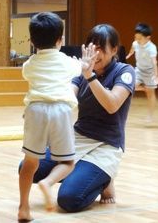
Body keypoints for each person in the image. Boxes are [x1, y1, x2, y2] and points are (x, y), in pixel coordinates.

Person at [24, 23, 135, 213]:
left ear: (114, 50)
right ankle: (88, 174)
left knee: (69, 200)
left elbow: (112, 105)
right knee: (27, 168)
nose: (95, 54)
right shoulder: (80, 71)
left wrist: (90, 77)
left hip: (106, 144)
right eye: (92, 48)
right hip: (77, 138)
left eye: (101, 49)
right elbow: (66, 98)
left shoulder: (124, 71)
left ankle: (104, 179)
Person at [18, 12, 96, 222]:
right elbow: (82, 69)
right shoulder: (67, 62)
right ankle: (48, 183)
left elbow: (26, 74)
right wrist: (85, 62)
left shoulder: (29, 65)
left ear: (33, 41)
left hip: (35, 111)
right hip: (61, 110)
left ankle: (24, 208)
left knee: (30, 163)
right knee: (68, 162)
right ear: (60, 40)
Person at [126, 23, 158, 122]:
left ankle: (150, 115)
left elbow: (154, 62)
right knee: (130, 86)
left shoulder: (152, 48)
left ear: (148, 38)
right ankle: (144, 88)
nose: (137, 40)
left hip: (150, 72)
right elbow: (132, 50)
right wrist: (128, 55)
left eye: (140, 38)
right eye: (136, 37)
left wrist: (156, 76)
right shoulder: (135, 43)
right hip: (139, 70)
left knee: (150, 94)